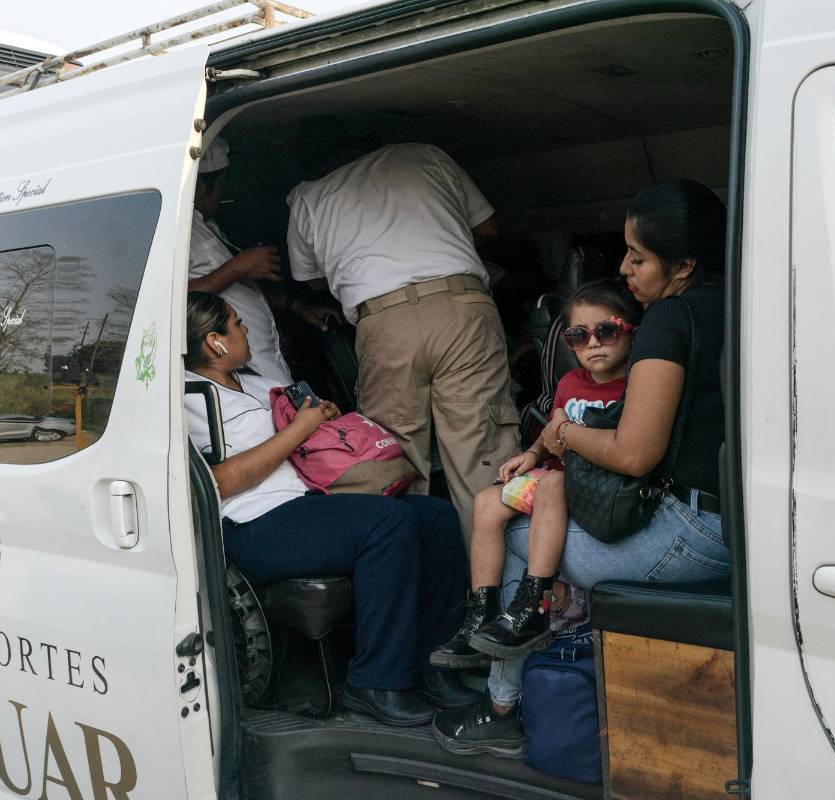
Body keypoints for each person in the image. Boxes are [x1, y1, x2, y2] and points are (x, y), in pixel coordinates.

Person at [431, 179, 731, 759]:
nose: (624, 268)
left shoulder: (670, 318)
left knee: (516, 536)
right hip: (735, 525)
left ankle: (501, 706)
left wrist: (560, 433)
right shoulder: (740, 305)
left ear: (684, 266)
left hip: (690, 534)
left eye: (638, 257)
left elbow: (634, 454)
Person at [182, 291, 479, 727]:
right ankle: (375, 681)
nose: (245, 329)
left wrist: (321, 419)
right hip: (251, 522)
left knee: (435, 517)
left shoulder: (259, 384)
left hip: (306, 501)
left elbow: (302, 433)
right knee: (387, 523)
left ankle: (434, 665)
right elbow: (219, 482)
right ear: (214, 342)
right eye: (236, 324)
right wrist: (300, 430)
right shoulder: (188, 397)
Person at [286, 141, 517, 543]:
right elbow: (488, 228)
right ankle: (498, 576)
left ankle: (420, 574)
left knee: (394, 457)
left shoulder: (308, 196)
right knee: (482, 449)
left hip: (383, 321)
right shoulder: (428, 155)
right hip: (461, 306)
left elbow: (313, 278)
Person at [429, 280, 640, 668]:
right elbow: (550, 434)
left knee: (553, 483)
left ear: (631, 332)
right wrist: (530, 454)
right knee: (487, 501)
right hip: (556, 483)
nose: (593, 343)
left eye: (606, 331)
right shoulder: (570, 383)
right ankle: (481, 614)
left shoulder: (637, 385)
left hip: (597, 488)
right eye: (579, 336)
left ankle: (534, 604)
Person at [189, 137, 341, 387]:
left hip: (260, 353)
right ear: (199, 187)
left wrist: (296, 306)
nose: (223, 193)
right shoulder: (181, 232)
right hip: (237, 364)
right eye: (220, 185)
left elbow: (233, 286)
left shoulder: (209, 226)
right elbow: (176, 300)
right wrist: (240, 265)